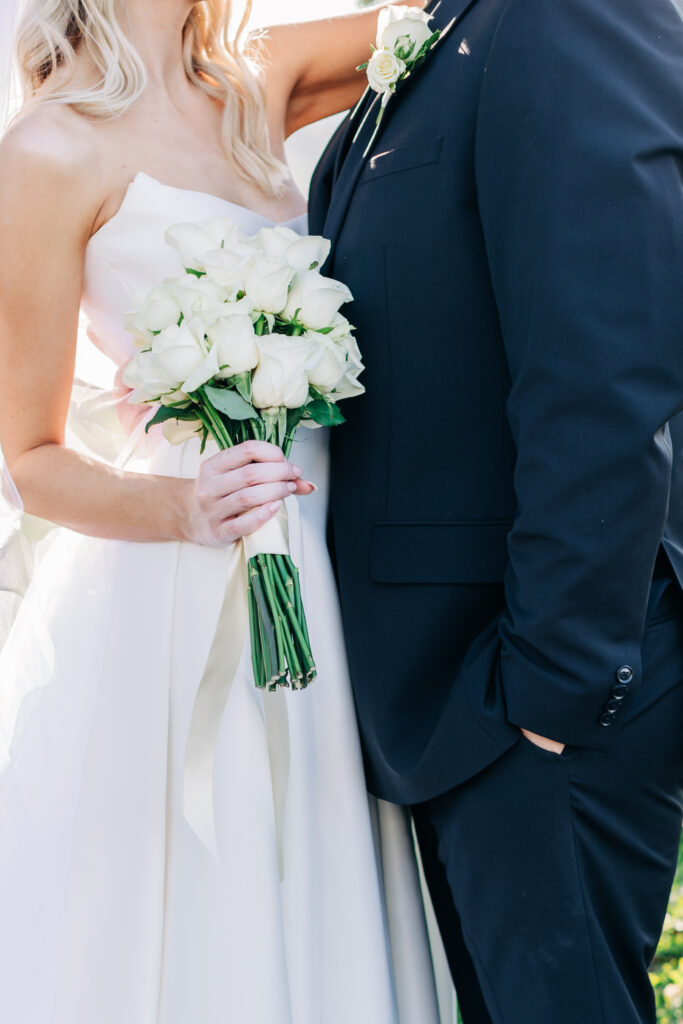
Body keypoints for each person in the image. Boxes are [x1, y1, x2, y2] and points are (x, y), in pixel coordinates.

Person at [0, 2, 442, 1022]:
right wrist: (184, 509)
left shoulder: (259, 77)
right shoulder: (45, 150)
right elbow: (27, 456)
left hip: (332, 555)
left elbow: (436, 17)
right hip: (189, 585)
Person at [309, 0, 683, 1020]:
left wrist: (552, 692)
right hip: (441, 697)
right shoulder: (443, 26)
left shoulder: (568, 14)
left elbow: (603, 369)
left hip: (530, 693)